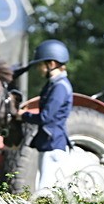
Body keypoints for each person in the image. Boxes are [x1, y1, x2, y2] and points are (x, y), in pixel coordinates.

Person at [18, 39, 74, 193]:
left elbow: (45, 117)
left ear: (52, 63)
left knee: (45, 192)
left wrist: (23, 116)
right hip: (49, 143)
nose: (39, 69)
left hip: (53, 145)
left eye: (41, 65)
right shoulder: (53, 84)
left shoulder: (60, 87)